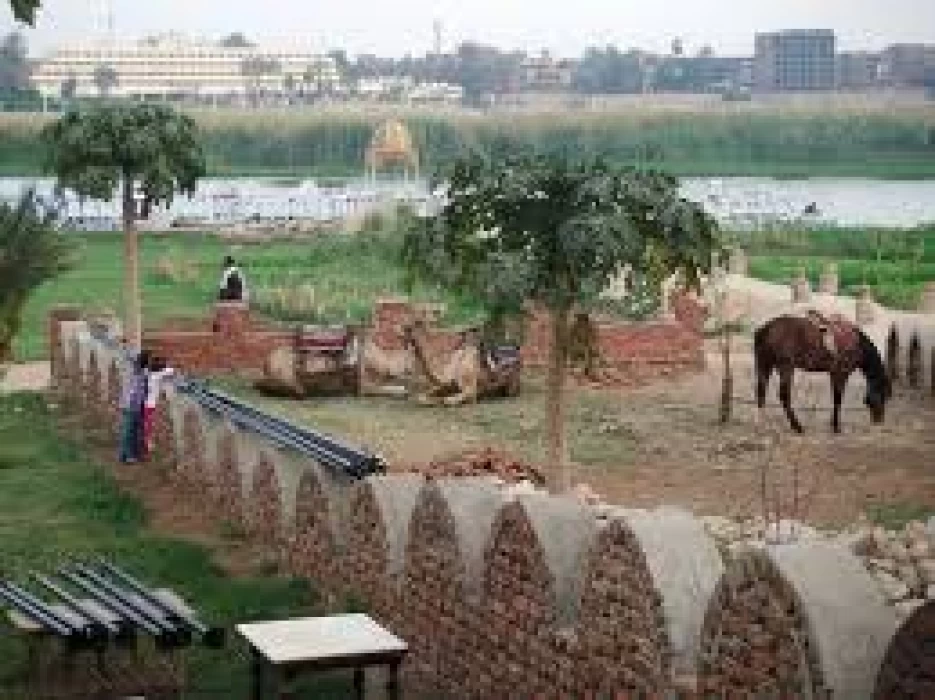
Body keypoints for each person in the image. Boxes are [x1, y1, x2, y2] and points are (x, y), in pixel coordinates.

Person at [140, 356, 175, 461]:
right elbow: (171, 371)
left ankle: (145, 443)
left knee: (146, 423)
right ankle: (147, 444)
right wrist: (167, 366)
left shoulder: (147, 372)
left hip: (144, 402)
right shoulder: (157, 376)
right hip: (150, 405)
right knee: (148, 424)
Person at [118, 350, 150, 464]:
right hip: (131, 406)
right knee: (129, 431)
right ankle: (127, 455)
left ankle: (130, 454)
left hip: (132, 406)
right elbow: (134, 393)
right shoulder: (137, 374)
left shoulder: (139, 372)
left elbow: (129, 355)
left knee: (133, 431)